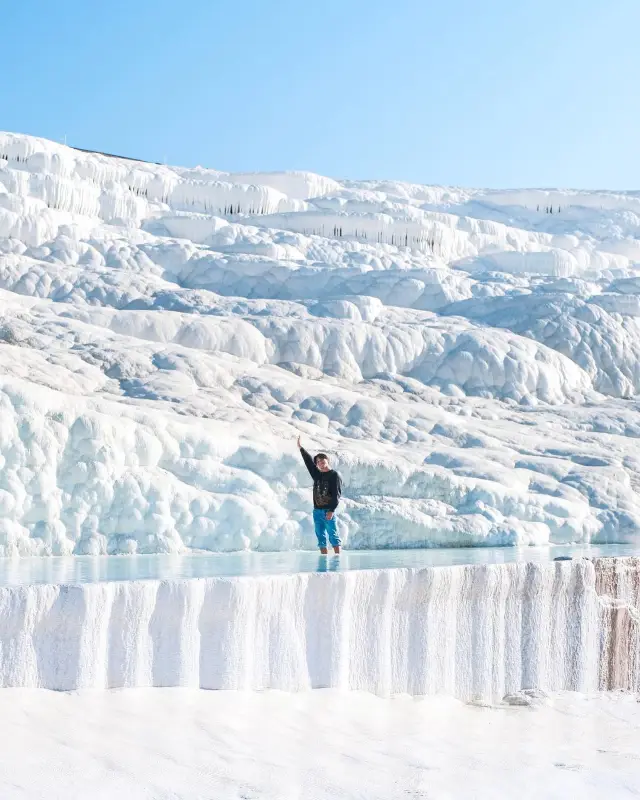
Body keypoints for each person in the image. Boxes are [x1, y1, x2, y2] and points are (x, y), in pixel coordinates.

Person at [297, 436, 342, 555]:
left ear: (327, 461)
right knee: (320, 537)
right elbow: (308, 462)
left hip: (328, 511)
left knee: (333, 535)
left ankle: (338, 560)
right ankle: (324, 560)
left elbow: (336, 495)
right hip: (317, 511)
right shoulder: (316, 474)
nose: (320, 464)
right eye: (318, 462)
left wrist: (331, 510)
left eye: (322, 461)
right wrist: (301, 448)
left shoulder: (334, 475)